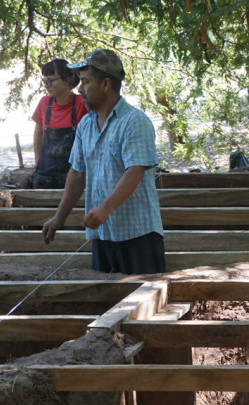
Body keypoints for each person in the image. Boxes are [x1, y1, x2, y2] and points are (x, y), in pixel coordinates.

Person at [41, 49, 165, 275]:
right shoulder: (86, 125)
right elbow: (77, 173)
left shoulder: (134, 122)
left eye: (86, 82)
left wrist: (105, 209)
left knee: (145, 301)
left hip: (138, 235)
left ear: (106, 84)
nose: (80, 90)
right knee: (107, 300)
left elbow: (135, 170)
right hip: (102, 234)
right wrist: (59, 217)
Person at [31, 59, 88, 189]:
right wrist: (37, 161)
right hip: (44, 176)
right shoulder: (44, 103)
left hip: (73, 176)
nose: (46, 85)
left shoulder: (81, 103)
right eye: (44, 81)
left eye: (50, 81)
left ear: (66, 81)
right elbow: (38, 134)